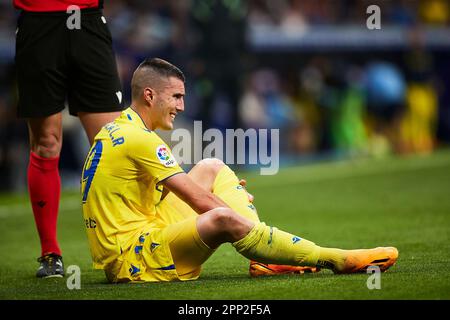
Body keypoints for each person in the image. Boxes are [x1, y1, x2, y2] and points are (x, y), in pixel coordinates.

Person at [81, 58, 398, 283]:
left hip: (136, 234)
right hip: (132, 260)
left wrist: (226, 198)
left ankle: (266, 257)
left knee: (210, 167)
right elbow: (202, 203)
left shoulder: (119, 129)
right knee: (221, 217)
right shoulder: (142, 140)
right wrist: (235, 215)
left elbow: (145, 193)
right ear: (149, 95)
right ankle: (332, 258)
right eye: (176, 97)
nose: (181, 106)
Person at [14, 0, 125, 277]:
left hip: (87, 21)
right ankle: (50, 253)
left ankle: (125, 242)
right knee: (47, 142)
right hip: (38, 23)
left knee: (111, 144)